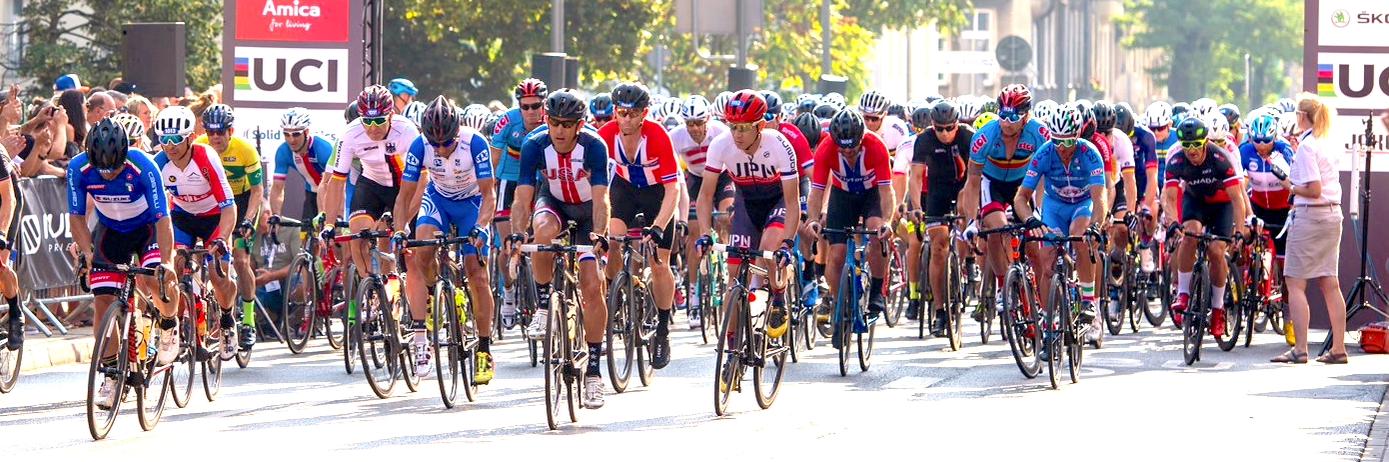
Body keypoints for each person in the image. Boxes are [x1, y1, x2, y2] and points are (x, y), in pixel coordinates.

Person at [69, 119, 179, 409]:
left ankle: (169, 324)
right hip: (111, 230)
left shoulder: (144, 166)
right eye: (101, 169)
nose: (107, 174)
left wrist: (166, 262)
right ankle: (111, 374)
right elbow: (77, 217)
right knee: (103, 299)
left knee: (158, 279)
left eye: (114, 168)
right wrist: (86, 251)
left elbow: (163, 219)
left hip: (147, 229)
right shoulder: (77, 168)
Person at [512, 89, 611, 408]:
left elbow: (601, 199)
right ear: (547, 120)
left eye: (567, 124)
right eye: (554, 122)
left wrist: (598, 236)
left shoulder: (595, 147)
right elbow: (522, 196)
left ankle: (594, 373)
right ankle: (543, 306)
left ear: (579, 125)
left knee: (592, 286)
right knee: (540, 233)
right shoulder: (534, 145)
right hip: (553, 202)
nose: (559, 130)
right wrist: (516, 234)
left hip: (586, 212)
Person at [393, 96, 497, 382]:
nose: (441, 149)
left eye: (446, 143)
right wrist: (400, 230)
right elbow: (404, 196)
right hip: (438, 200)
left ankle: (485, 348)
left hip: (472, 203)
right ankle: (430, 296)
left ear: (457, 132)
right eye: (435, 144)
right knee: (420, 251)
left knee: (477, 273)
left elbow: (489, 194)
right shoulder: (419, 146)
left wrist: (481, 226)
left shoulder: (475, 143)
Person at [696, 89, 801, 342]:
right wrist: (704, 234)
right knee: (734, 279)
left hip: (776, 201)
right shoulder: (721, 145)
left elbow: (792, 200)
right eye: (732, 127)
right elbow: (705, 196)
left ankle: (778, 296)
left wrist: (787, 242)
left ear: (761, 125)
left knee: (769, 251)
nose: (737, 135)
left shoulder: (779, 144)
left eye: (744, 128)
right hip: (746, 203)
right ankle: (732, 346)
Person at [597, 82, 681, 368]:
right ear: (615, 113)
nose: (627, 119)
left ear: (644, 113)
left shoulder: (657, 136)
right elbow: (594, 182)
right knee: (614, 242)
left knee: (659, 263)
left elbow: (673, 190)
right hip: (624, 191)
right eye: (621, 113)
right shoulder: (606, 135)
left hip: (657, 194)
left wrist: (658, 226)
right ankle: (614, 299)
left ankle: (663, 329)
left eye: (633, 114)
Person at [152, 105, 240, 356]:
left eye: (175, 139)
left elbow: (229, 206)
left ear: (190, 137)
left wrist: (222, 239)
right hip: (182, 218)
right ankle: (175, 329)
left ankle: (226, 320)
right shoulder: (159, 164)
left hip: (214, 218)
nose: (169, 145)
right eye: (163, 139)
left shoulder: (205, 157)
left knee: (217, 274)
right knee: (173, 269)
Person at [1013, 104, 1106, 336]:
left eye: (1067, 142)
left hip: (1081, 205)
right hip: (1054, 207)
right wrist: (1030, 221)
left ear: (1077, 136)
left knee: (1080, 237)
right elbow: (1021, 198)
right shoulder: (1044, 153)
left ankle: (1088, 302)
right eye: (1057, 141)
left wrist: (1096, 226)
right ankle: (1048, 319)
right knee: (1047, 263)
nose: (1062, 148)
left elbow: (1099, 197)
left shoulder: (1090, 153)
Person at [961, 84, 1050, 318]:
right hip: (993, 184)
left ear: (1026, 115)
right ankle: (1003, 286)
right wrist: (971, 220)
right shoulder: (984, 137)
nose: (1007, 121)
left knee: (1034, 245)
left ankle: (1042, 303)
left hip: (1024, 185)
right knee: (997, 228)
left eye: (1013, 116)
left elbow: (1044, 177)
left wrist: (1039, 210)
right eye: (1003, 115)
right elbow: (972, 181)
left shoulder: (1039, 133)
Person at [321, 85, 422, 285]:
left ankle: (398, 285)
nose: (373, 127)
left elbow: (423, 180)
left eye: (379, 120)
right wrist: (329, 224)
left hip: (404, 186)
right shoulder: (351, 134)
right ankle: (371, 289)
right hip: (372, 184)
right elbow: (336, 182)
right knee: (357, 235)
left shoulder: (407, 130)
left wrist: (405, 220)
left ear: (391, 115)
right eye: (367, 121)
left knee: (409, 250)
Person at [802, 110, 894, 328]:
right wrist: (814, 218)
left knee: (875, 231)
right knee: (837, 253)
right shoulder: (826, 149)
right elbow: (816, 191)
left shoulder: (876, 146)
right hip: (842, 196)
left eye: (852, 148)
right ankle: (839, 299)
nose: (847, 152)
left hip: (871, 195)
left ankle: (876, 294)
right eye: (842, 148)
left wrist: (887, 221)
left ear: (861, 139)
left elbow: (886, 191)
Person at [1273, 94, 1346, 364]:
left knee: (1294, 282)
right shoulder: (1327, 141)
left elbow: (1313, 189)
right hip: (1331, 214)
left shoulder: (1307, 147)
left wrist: (1290, 186)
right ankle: (1338, 348)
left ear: (1303, 117)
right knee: (1330, 282)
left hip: (1310, 216)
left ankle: (1300, 349)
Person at [1162, 117, 1248, 339]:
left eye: (1196, 144)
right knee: (1189, 236)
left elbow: (1238, 199)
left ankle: (1218, 309)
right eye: (1186, 145)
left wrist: (1239, 230)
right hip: (1196, 202)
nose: (1191, 150)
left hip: (1222, 205)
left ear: (1205, 141)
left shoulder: (1220, 157)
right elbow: (1169, 198)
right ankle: (1183, 293)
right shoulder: (1176, 159)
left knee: (1216, 251)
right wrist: (1172, 223)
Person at [193, 104, 264, 350]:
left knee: (242, 261)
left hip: (242, 203)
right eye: (210, 132)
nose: (215, 137)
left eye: (220, 132)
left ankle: (249, 320)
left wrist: (249, 218)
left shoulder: (245, 150)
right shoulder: (199, 145)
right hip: (213, 203)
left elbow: (257, 191)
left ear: (230, 131)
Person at [906, 100, 974, 333]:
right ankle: (940, 310)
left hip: (966, 188)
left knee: (967, 231)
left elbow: (977, 175)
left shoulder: (968, 137)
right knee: (938, 247)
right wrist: (916, 206)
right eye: (939, 129)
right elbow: (914, 177)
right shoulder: (924, 139)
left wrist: (970, 206)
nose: (944, 134)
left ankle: (964, 267)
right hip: (937, 193)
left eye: (949, 128)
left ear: (957, 124)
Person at [668, 94, 731, 329]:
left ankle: (723, 256)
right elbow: (671, 170)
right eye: (689, 124)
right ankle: (694, 296)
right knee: (695, 235)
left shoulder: (721, 131)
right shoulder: (676, 137)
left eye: (699, 123)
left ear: (708, 119)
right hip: (695, 179)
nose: (694, 128)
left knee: (726, 216)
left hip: (722, 176)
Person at [492, 78, 548, 329]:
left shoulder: (553, 121)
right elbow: (493, 160)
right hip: (510, 180)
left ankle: (543, 296)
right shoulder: (507, 122)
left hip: (539, 180)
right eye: (525, 107)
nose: (531, 112)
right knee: (507, 244)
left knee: (539, 239)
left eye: (536, 106)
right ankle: (510, 290)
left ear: (544, 105)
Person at [270, 107, 334, 221]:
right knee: (305, 234)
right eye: (286, 134)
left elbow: (328, 184)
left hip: (332, 191)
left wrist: (323, 213)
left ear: (306, 132)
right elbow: (277, 187)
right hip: (311, 193)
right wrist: (276, 215)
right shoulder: (283, 151)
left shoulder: (323, 148)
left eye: (296, 134)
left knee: (328, 231)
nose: (291, 140)